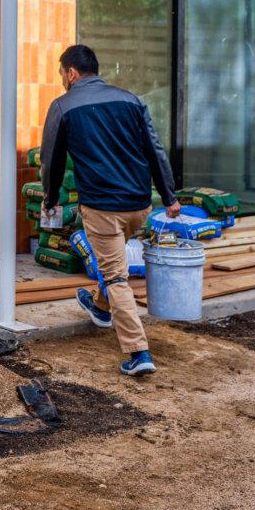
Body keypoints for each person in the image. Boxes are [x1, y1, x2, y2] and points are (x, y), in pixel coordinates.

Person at [40, 44, 180, 377]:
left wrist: (50, 197)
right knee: (112, 261)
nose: (62, 80)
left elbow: (52, 160)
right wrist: (169, 196)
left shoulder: (63, 106)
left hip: (102, 208)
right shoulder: (131, 100)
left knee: (116, 276)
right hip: (140, 206)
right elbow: (155, 150)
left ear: (71, 73)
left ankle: (137, 352)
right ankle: (100, 308)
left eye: (62, 74)